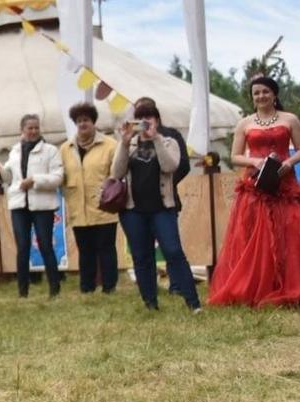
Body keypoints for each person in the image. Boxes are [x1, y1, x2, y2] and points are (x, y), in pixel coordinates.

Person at [209, 75, 300, 307]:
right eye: (256, 93)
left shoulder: (290, 119)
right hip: (256, 184)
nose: (261, 96)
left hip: (284, 184)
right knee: (255, 236)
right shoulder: (245, 123)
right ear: (252, 98)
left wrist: (288, 163)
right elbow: (234, 156)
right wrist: (256, 162)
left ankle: (289, 285)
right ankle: (255, 287)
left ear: (274, 94)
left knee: (289, 231)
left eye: (265, 92)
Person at [110, 103, 201, 312]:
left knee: (173, 252)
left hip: (162, 208)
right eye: (140, 119)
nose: (145, 123)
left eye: (149, 118)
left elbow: (170, 166)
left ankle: (193, 302)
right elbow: (116, 172)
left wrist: (156, 139)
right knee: (142, 257)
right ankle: (150, 302)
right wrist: (123, 144)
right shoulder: (129, 144)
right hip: (133, 210)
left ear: (157, 120)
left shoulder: (169, 141)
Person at [0, 114, 64, 298]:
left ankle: (54, 289)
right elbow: (9, 178)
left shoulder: (50, 150)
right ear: (21, 130)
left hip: (42, 206)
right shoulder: (15, 151)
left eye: (36, 128)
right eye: (29, 128)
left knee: (46, 245)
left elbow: (58, 177)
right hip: (19, 204)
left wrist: (35, 181)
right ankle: (23, 292)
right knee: (22, 247)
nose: (33, 131)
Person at [133, 97, 192, 295]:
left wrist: (165, 182)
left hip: (165, 199)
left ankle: (177, 285)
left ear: (155, 115)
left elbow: (183, 164)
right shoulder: (132, 138)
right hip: (138, 204)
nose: (143, 119)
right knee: (143, 250)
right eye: (139, 114)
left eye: (147, 114)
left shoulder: (171, 135)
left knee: (171, 247)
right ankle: (149, 289)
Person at [59, 103, 119, 294]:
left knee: (106, 249)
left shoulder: (111, 145)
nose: (82, 124)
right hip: (78, 207)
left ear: (93, 122)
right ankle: (87, 287)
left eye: (86, 120)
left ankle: (109, 287)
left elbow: (117, 174)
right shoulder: (65, 148)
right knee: (85, 250)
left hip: (104, 207)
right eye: (79, 121)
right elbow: (61, 175)